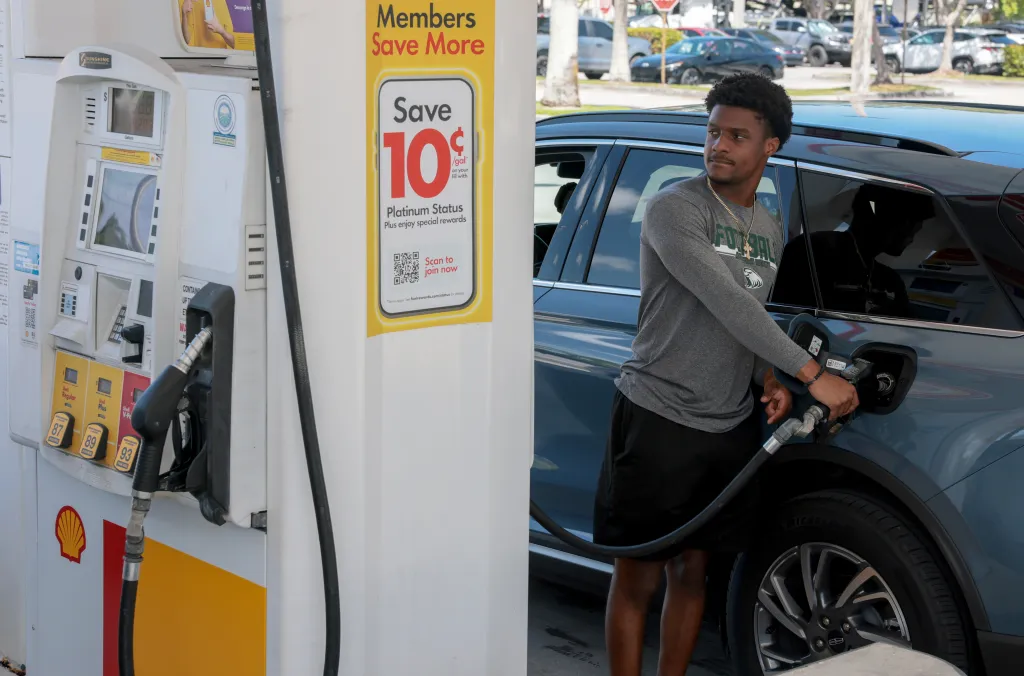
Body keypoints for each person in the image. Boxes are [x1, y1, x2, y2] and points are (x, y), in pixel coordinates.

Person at [591, 73, 860, 676]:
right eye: (713, 132)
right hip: (659, 415)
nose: (719, 145)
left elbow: (751, 315)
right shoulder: (672, 210)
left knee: (695, 573)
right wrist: (810, 374)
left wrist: (767, 375)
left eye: (738, 136)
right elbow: (723, 299)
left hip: (728, 424)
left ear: (771, 146)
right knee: (638, 575)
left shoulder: (767, 228)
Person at [773, 182, 934, 319]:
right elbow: (786, 318)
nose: (912, 235)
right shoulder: (811, 252)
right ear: (886, 216)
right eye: (911, 223)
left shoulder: (890, 280)